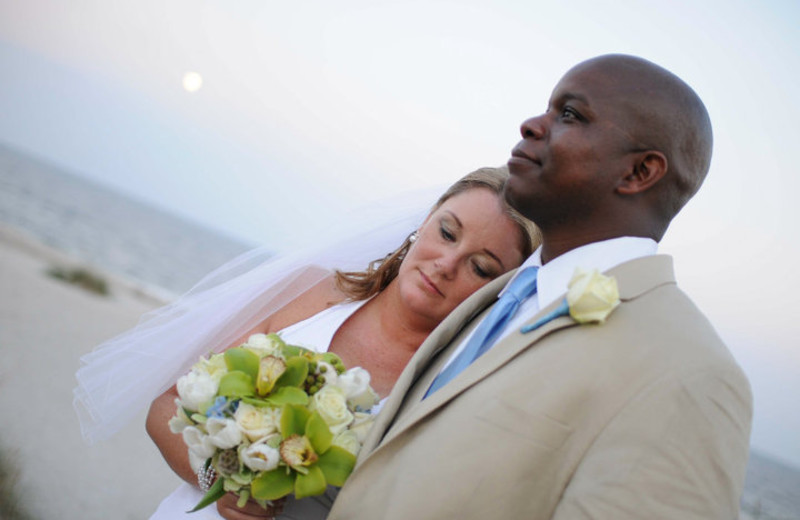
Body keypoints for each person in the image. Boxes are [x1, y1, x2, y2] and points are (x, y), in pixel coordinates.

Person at [326, 54, 753, 520]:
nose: (531, 125)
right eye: (548, 108)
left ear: (638, 173)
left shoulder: (687, 371)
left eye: (570, 115)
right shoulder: (495, 298)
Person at [141, 166, 541, 519]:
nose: (446, 264)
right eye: (448, 232)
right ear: (425, 220)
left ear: (501, 290)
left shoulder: (455, 385)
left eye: (481, 267)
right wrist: (221, 481)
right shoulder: (306, 290)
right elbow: (166, 406)